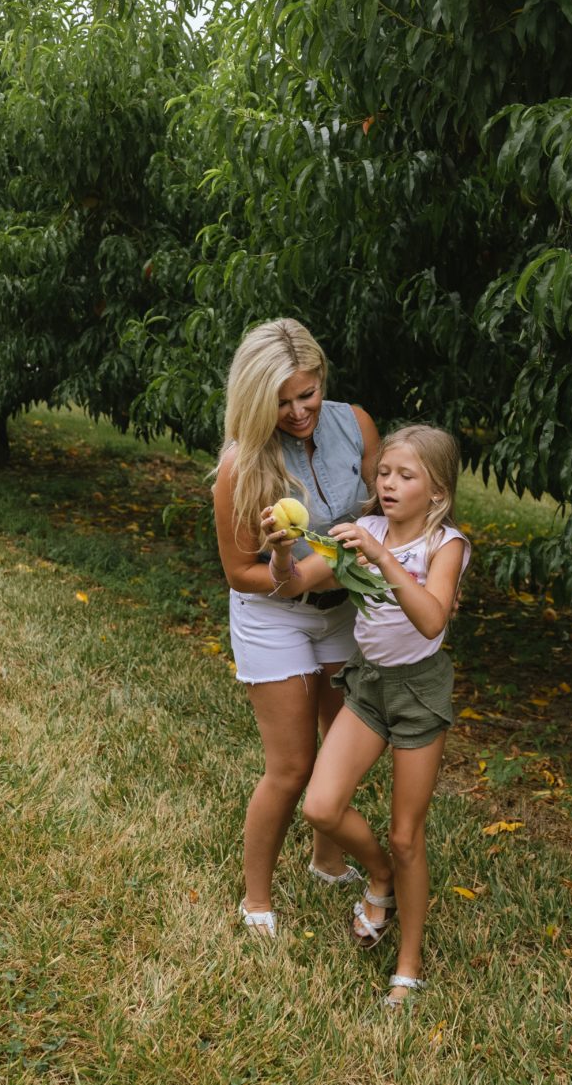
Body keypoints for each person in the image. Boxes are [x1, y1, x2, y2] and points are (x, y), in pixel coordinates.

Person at [274, 424, 471, 1010]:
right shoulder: (368, 529)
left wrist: (382, 557)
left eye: (405, 476)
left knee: (407, 835)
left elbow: (431, 620)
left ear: (437, 492)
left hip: (418, 693)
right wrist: (283, 547)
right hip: (368, 685)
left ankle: (408, 964)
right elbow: (293, 583)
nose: (387, 484)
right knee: (320, 806)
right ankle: (379, 876)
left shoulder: (444, 544)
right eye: (383, 472)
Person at [212, 318, 380, 938]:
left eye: (307, 394)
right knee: (291, 766)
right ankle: (257, 899)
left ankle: (327, 861)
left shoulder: (355, 424)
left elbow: (382, 511)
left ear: (322, 379)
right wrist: (308, 569)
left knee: (339, 751)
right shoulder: (242, 463)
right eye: (282, 402)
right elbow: (240, 572)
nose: (299, 411)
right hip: (274, 614)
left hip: (341, 611)